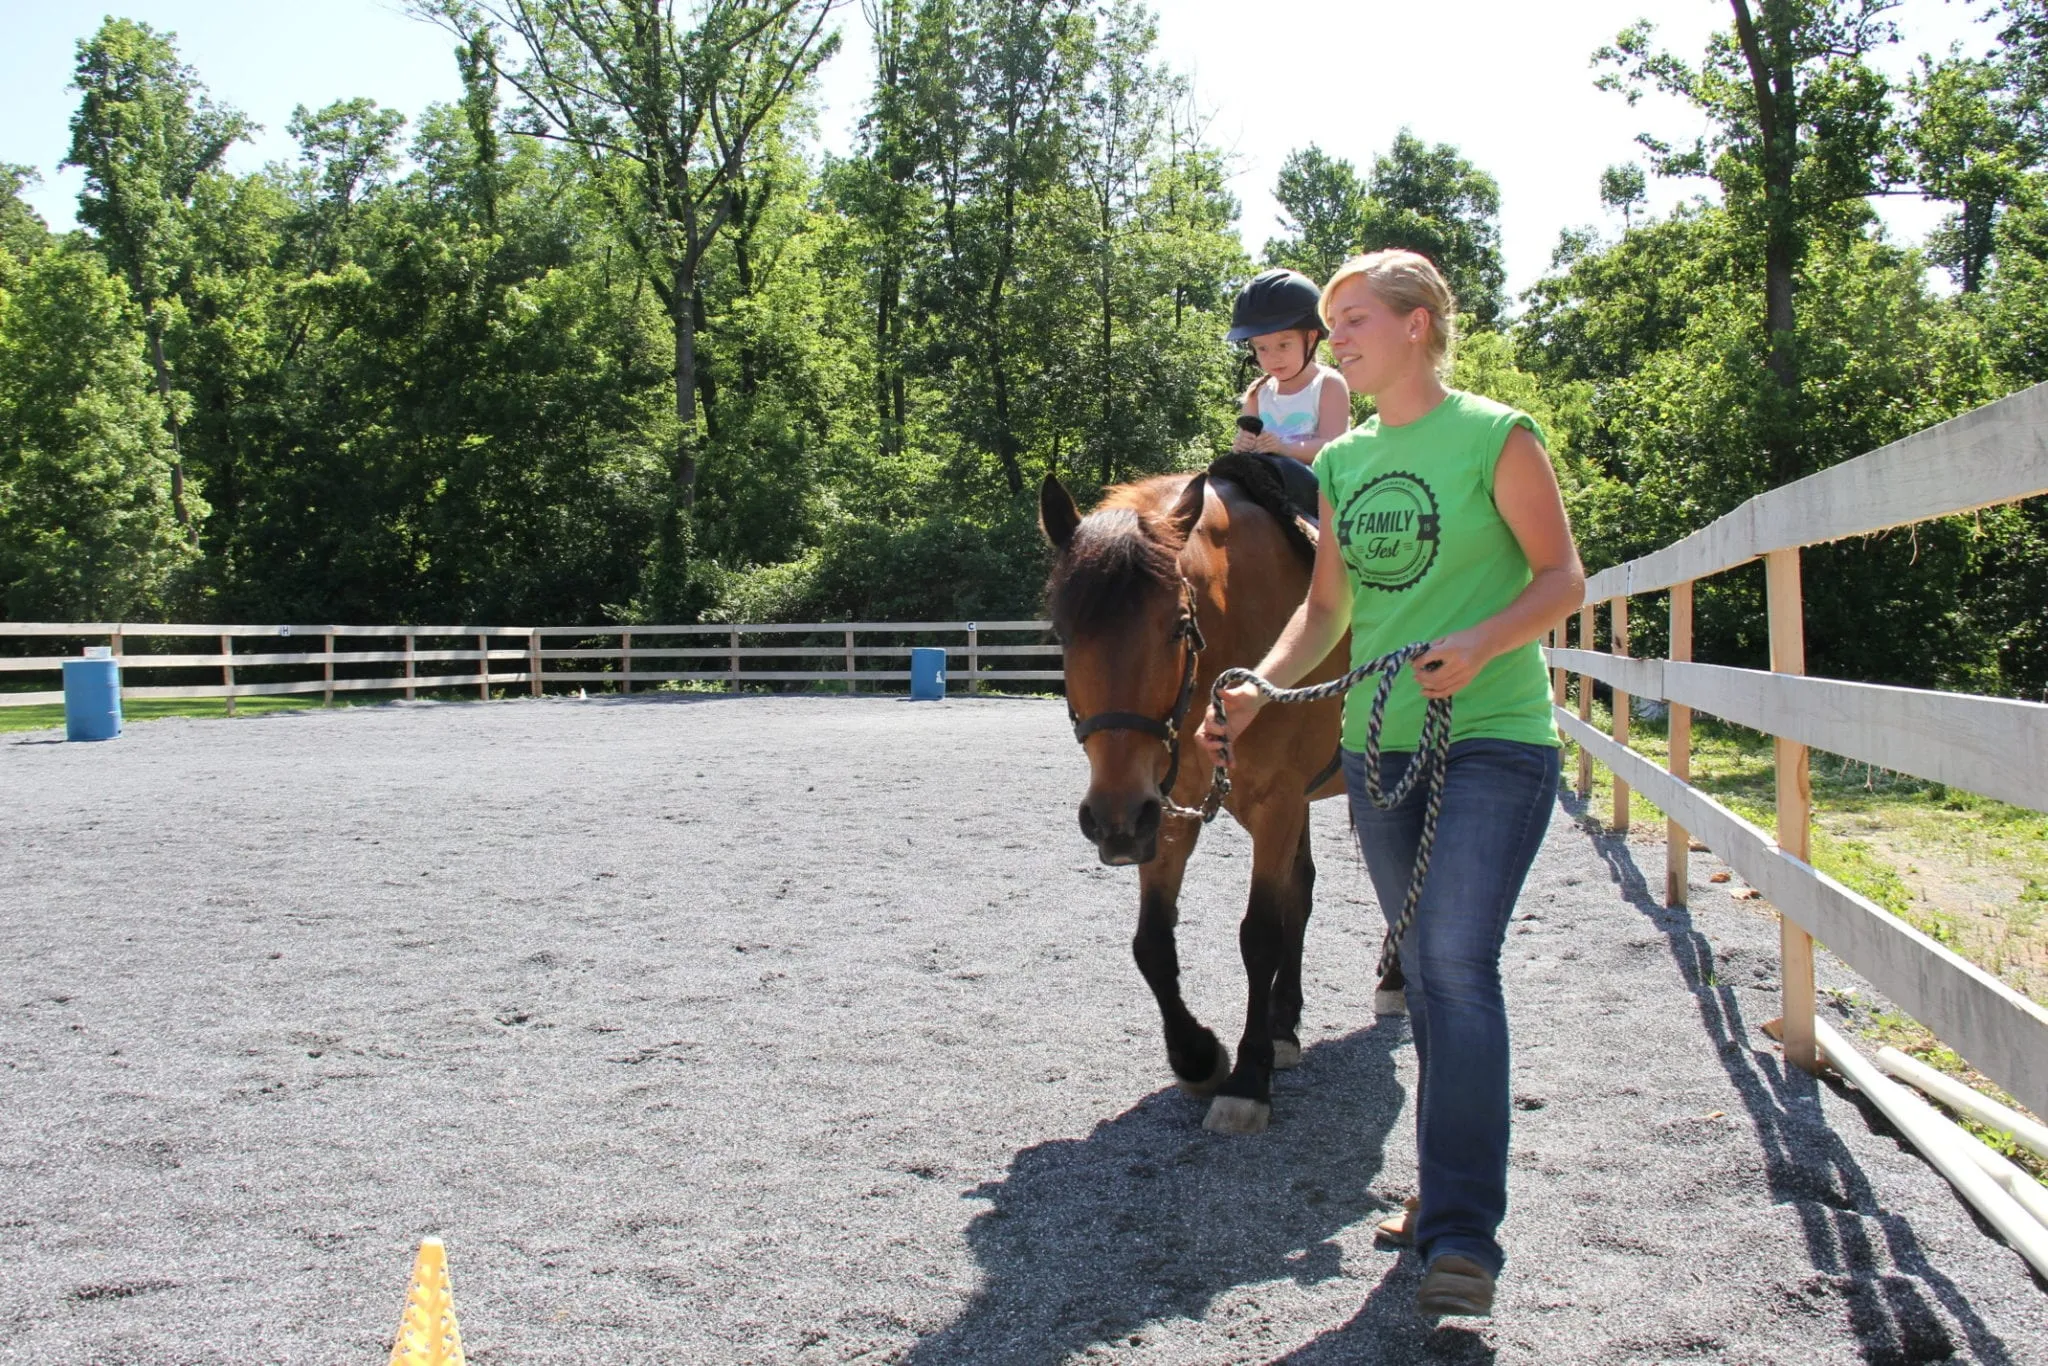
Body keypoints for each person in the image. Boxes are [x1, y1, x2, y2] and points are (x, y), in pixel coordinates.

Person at [1197, 249, 1586, 1319]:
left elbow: (1560, 577)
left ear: (1417, 324)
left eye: (1355, 317)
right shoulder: (1349, 462)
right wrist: (1258, 688)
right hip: (1377, 745)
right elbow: (1325, 612)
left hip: (1493, 736)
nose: (1339, 336)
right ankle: (1441, 1186)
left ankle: (1460, 1234)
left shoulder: (1495, 436)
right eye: (1331, 321)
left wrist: (1479, 641)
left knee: (1452, 965)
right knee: (1421, 958)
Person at [1226, 268, 1351, 515]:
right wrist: (1242, 445)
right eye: (1262, 349)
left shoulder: (1328, 384)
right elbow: (1248, 441)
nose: (1273, 358)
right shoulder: (1258, 392)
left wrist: (1285, 449)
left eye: (1284, 345)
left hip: (1318, 492)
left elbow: (1334, 448)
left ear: (1311, 337)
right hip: (1268, 485)